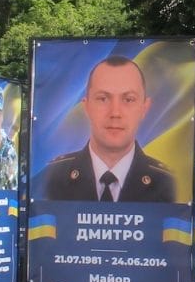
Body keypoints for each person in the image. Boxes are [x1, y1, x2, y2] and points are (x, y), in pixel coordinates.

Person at [41, 55, 175, 202]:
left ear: (144, 108)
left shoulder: (166, 183)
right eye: (103, 99)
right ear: (87, 107)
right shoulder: (53, 177)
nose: (115, 113)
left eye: (128, 99)